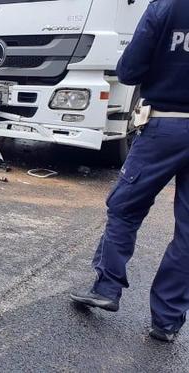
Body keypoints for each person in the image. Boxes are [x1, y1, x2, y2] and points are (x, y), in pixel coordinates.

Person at [70, 0, 189, 343]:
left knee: (125, 207)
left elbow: (129, 71)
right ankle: (166, 322)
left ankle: (107, 287)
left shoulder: (166, 6)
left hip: (165, 126)